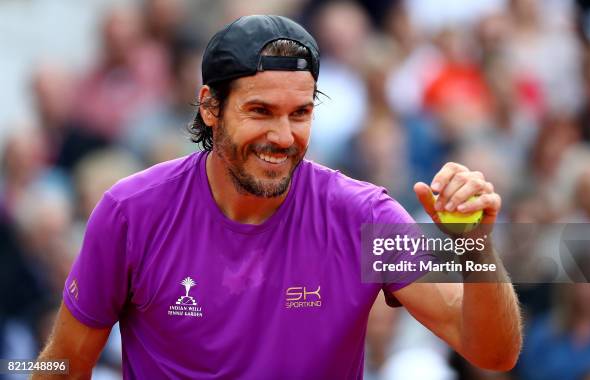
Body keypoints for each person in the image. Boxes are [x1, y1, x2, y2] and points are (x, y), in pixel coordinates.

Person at [35, 15, 522, 379]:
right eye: (261, 111)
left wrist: (475, 248)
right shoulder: (130, 212)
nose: (284, 136)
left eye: (300, 112)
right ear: (210, 107)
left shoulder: (366, 217)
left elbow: (492, 353)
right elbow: (62, 364)